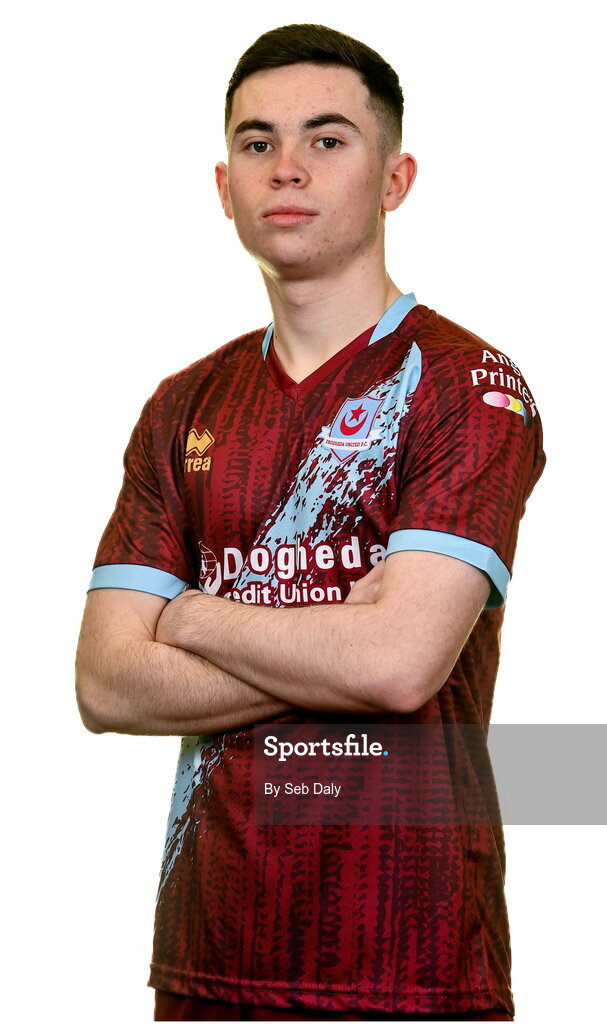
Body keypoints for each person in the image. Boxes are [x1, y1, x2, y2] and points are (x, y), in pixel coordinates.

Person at [75, 23, 545, 1023]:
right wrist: (335, 632)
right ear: (224, 183)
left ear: (394, 176)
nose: (286, 167)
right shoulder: (181, 406)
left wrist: (194, 614)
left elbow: (395, 666)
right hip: (209, 952)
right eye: (257, 143)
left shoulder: (467, 385)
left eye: (327, 139)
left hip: (408, 961)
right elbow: (105, 680)